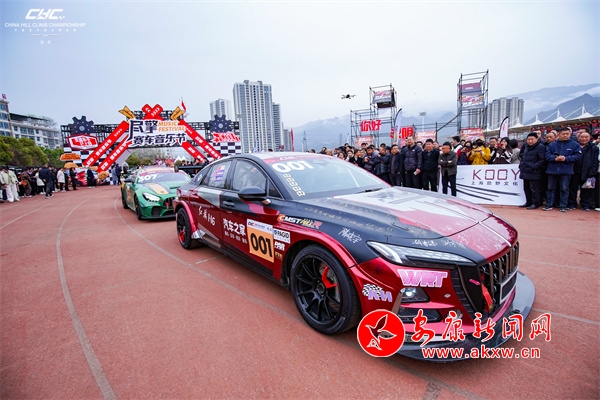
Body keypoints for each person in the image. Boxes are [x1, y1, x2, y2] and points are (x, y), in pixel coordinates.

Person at [543, 127, 582, 212]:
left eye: (567, 134)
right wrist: (555, 158)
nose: (565, 135)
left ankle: (563, 205)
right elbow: (547, 155)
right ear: (558, 134)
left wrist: (566, 159)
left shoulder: (575, 145)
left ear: (570, 134)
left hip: (566, 170)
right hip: (552, 170)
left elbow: (577, 156)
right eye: (563, 134)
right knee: (550, 188)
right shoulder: (552, 145)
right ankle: (549, 204)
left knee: (564, 189)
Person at [568, 130, 599, 211]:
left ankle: (585, 204)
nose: (584, 139)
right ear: (578, 138)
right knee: (572, 188)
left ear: (590, 138)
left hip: (587, 172)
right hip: (574, 171)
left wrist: (592, 172)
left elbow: (595, 161)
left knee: (586, 189)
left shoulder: (594, 148)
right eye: (582, 137)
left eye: (586, 137)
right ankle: (571, 204)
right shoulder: (574, 146)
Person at [518, 133, 546, 209]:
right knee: (526, 188)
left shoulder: (541, 147)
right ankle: (528, 202)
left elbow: (542, 160)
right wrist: (521, 165)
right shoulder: (526, 146)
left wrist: (534, 166)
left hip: (534, 171)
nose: (530, 141)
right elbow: (523, 157)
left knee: (534, 189)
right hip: (525, 170)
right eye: (528, 139)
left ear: (537, 139)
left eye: (532, 139)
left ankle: (535, 203)